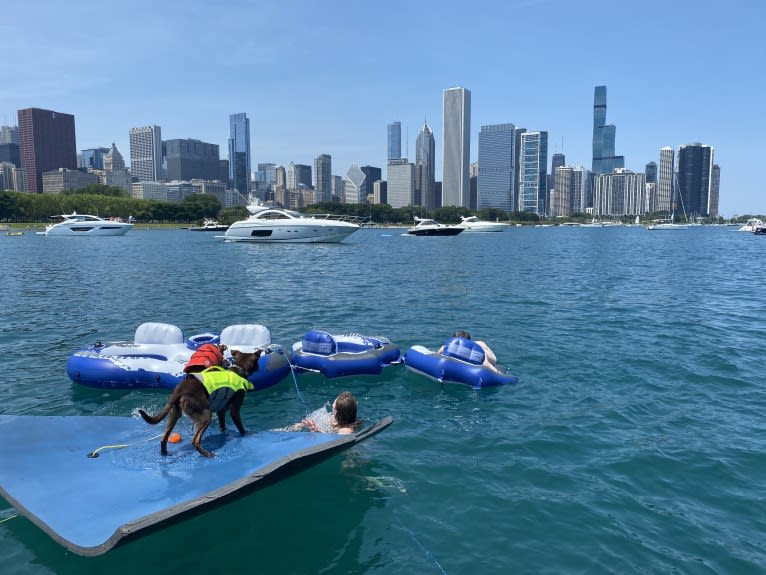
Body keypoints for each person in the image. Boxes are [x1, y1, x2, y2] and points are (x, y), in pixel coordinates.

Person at [282, 391, 362, 435]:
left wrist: (319, 432)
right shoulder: (333, 418)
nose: (332, 405)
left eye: (333, 407)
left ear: (338, 412)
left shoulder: (346, 431)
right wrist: (301, 425)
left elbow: (334, 443)